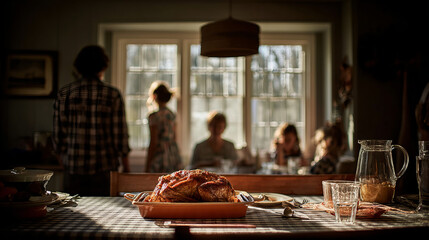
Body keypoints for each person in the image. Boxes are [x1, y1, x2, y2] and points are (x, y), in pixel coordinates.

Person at [53, 45, 130, 196]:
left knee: (73, 215)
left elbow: (58, 136)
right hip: (104, 169)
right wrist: (126, 167)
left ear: (79, 67)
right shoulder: (112, 94)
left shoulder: (64, 94)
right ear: (103, 67)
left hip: (74, 169)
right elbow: (120, 136)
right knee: (107, 215)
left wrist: (63, 163)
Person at [146, 81, 183, 173]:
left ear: (154, 96)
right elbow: (174, 137)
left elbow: (153, 141)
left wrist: (147, 164)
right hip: (173, 154)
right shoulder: (171, 114)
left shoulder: (154, 116)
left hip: (160, 155)